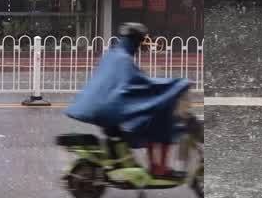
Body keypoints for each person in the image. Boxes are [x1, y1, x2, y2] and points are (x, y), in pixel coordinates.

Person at [66, 22, 191, 179]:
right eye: (140, 41)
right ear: (136, 41)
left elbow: (136, 82)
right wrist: (177, 84)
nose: (141, 46)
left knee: (151, 121)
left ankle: (154, 167)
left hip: (97, 107)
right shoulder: (124, 60)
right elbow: (143, 83)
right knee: (160, 121)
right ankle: (159, 169)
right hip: (107, 110)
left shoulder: (113, 55)